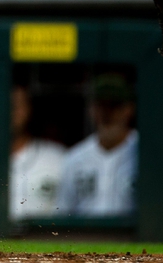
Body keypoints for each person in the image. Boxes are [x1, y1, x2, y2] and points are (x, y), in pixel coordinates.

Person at [57, 75, 138, 218]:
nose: (107, 114)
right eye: (101, 106)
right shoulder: (75, 158)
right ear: (91, 109)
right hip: (87, 232)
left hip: (135, 232)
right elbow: (63, 213)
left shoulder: (143, 152)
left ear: (129, 109)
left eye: (114, 106)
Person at [9, 86, 65, 221]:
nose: (12, 111)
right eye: (7, 105)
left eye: (18, 105)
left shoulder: (58, 157)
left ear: (29, 109)